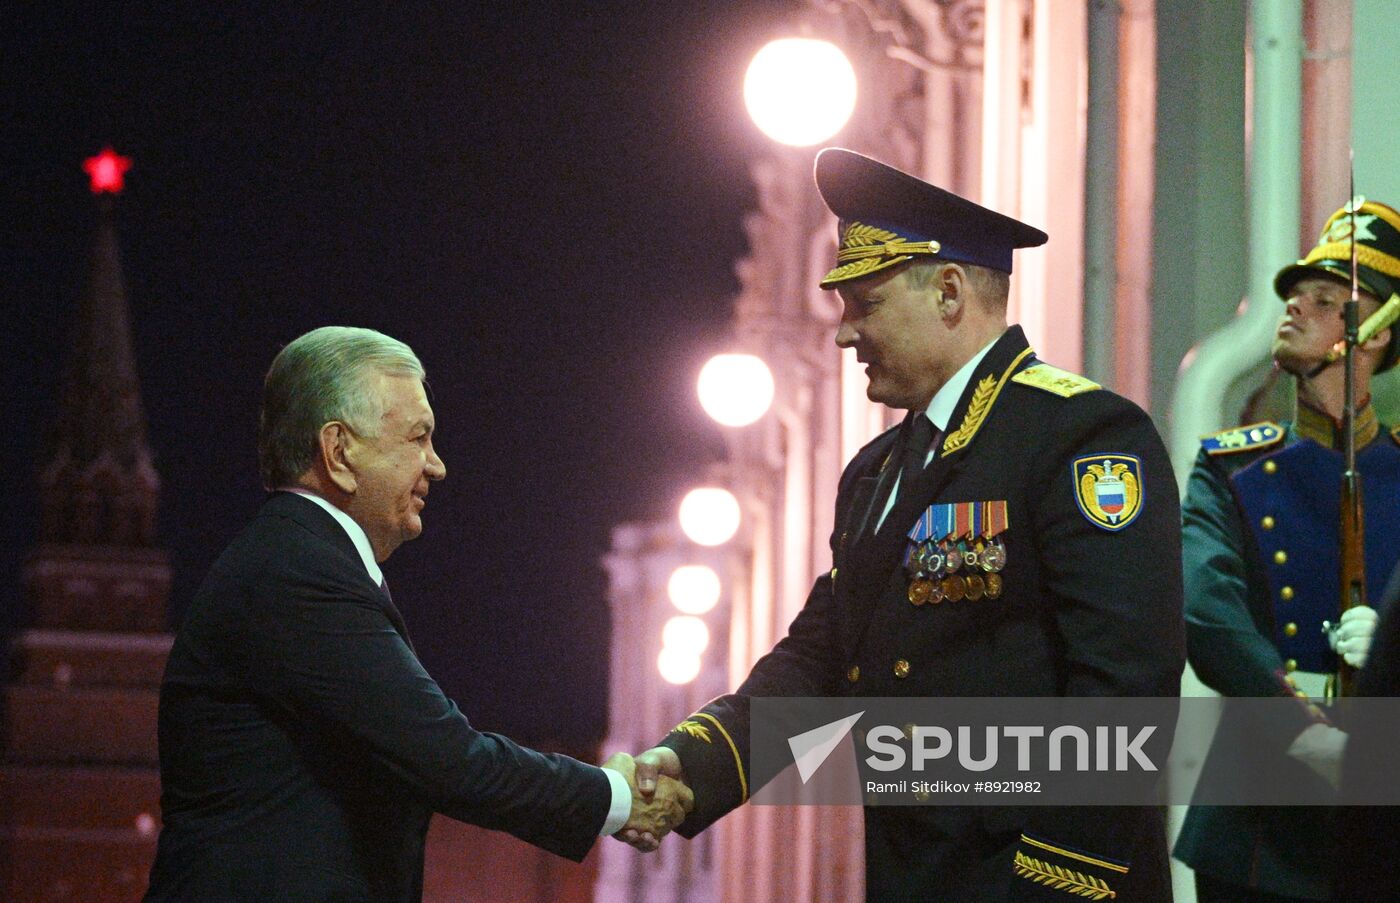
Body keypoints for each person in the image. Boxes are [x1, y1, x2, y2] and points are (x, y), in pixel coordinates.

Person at [620, 149, 1185, 901]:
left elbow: (1126, 683)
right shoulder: (876, 472)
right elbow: (821, 657)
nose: (843, 335)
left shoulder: (1078, 435)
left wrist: (1056, 877)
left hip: (1038, 881)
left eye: (865, 303)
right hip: (920, 875)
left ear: (948, 292)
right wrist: (691, 767)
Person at [144, 326, 690, 902]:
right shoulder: (297, 574)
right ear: (339, 451)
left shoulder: (299, 561)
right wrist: (619, 797)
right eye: (417, 438)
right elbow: (450, 761)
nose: (437, 466)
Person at [1172, 199, 1400, 902]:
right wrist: (1307, 734)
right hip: (1258, 817)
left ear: (1376, 333)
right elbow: (1207, 614)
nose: (1295, 307)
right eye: (1296, 295)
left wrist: (1393, 650)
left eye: (1327, 299)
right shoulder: (1231, 468)